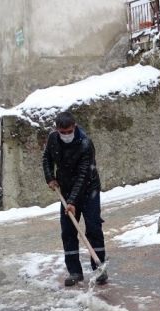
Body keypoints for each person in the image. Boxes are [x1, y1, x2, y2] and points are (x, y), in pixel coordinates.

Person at [42, 111, 108, 287]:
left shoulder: (85, 144)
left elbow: (83, 175)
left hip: (88, 188)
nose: (65, 135)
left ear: (74, 127)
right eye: (62, 132)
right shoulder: (53, 139)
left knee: (93, 228)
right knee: (68, 231)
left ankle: (99, 268)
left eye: (68, 131)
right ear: (57, 130)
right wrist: (50, 177)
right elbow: (47, 158)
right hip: (66, 188)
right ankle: (75, 272)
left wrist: (72, 202)